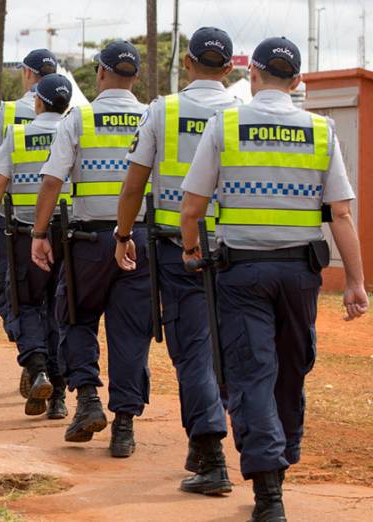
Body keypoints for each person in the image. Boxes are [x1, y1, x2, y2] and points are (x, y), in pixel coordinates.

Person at [179, 36, 368, 520]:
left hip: (241, 272)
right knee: (290, 369)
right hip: (301, 275)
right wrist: (355, 282)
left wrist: (189, 248)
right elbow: (341, 215)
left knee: (252, 374)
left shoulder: (226, 124)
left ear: (255, 75)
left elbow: (194, 204)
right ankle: (280, 462)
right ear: (298, 81)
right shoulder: (321, 131)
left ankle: (269, 491)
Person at [114, 27, 240, 495]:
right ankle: (232, 446)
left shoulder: (162, 110)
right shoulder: (241, 113)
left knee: (193, 353)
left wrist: (123, 234)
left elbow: (133, 184)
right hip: (234, 250)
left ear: (187, 63)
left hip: (178, 251)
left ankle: (210, 453)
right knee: (232, 349)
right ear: (229, 68)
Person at [31, 40, 148, 456]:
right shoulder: (152, 116)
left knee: (76, 318)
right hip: (140, 239)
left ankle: (87, 401)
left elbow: (51, 181)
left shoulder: (79, 118)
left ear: (100, 73)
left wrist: (39, 233)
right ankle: (125, 427)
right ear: (136, 77)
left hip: (87, 242)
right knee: (131, 333)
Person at [0, 73, 73, 420]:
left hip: (23, 236)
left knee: (24, 302)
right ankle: (60, 396)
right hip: (67, 233)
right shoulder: (74, 132)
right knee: (59, 308)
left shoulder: (19, 135)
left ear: (38, 103)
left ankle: (37, 367)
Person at [0, 48, 58, 343]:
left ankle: (34, 355)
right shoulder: (70, 114)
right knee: (53, 297)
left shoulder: (5, 112)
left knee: (11, 295)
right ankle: (44, 357)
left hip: (13, 222)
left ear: (28, 73)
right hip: (61, 221)